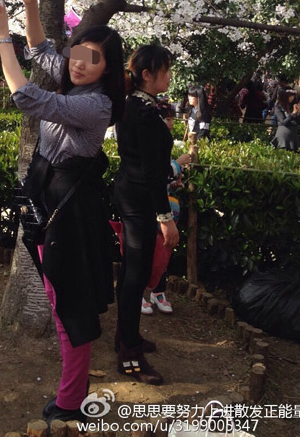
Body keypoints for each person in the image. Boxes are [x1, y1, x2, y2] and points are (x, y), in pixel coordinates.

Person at [0, 0, 125, 424]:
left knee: (68, 303)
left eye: (94, 58)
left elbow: (25, 94)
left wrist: (1, 35)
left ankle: (71, 403)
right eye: (78, 53)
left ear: (108, 68)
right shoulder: (73, 76)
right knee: (62, 296)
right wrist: (30, 4)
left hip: (69, 211)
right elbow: (42, 48)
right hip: (51, 201)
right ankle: (77, 387)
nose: (80, 64)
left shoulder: (96, 106)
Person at [114, 44, 180, 385]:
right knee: (135, 275)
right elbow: (152, 172)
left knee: (131, 272)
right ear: (146, 75)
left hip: (131, 192)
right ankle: (129, 354)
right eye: (165, 70)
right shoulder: (142, 111)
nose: (169, 76)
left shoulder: (137, 106)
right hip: (139, 200)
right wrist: (165, 219)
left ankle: (127, 338)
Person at [141, 100, 190, 316]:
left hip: (164, 204)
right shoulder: (150, 138)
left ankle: (158, 291)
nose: (171, 123)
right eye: (167, 118)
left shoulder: (164, 140)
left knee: (163, 250)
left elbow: (163, 177)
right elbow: (155, 173)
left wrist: (173, 182)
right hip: (150, 207)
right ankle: (142, 294)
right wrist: (178, 163)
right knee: (150, 249)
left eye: (171, 118)